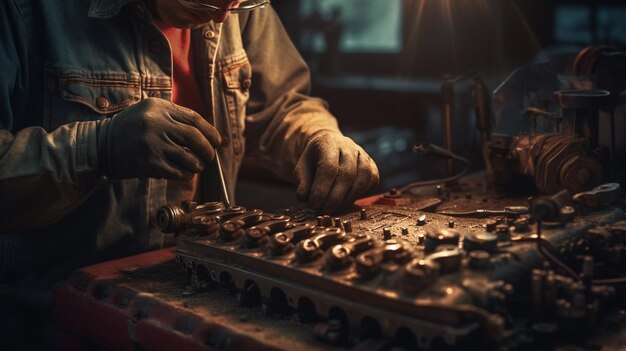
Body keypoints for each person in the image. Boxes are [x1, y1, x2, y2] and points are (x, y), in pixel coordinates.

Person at [0, 0, 379, 347]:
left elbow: (282, 105)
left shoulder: (236, 8)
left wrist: (318, 134)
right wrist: (99, 148)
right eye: (204, 2)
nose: (222, 17)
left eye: (237, 2)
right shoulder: (26, 10)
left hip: (201, 298)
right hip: (52, 317)